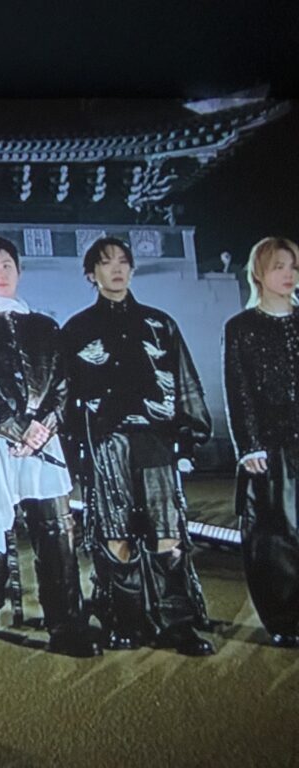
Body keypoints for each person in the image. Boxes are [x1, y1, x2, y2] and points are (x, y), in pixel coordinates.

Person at [0, 237, 100, 664]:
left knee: (57, 536)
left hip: (44, 443)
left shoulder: (46, 327)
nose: (0, 273)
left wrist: (42, 429)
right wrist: (15, 429)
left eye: (7, 265)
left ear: (19, 269)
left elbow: (63, 385)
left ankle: (66, 626)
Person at [62, 236, 214, 656]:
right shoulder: (76, 329)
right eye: (106, 262)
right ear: (91, 274)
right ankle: (124, 621)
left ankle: (177, 624)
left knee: (168, 533)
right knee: (116, 535)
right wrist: (73, 454)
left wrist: (189, 438)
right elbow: (67, 397)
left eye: (123, 261)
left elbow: (184, 380)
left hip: (156, 439)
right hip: (105, 443)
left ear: (131, 269)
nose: (116, 269)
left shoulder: (160, 324)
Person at [223, 236, 299, 648]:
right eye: (278, 267)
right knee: (274, 536)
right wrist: (249, 444)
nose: (288, 275)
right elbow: (239, 390)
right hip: (270, 448)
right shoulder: (241, 328)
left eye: (293, 266)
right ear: (259, 273)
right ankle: (286, 619)